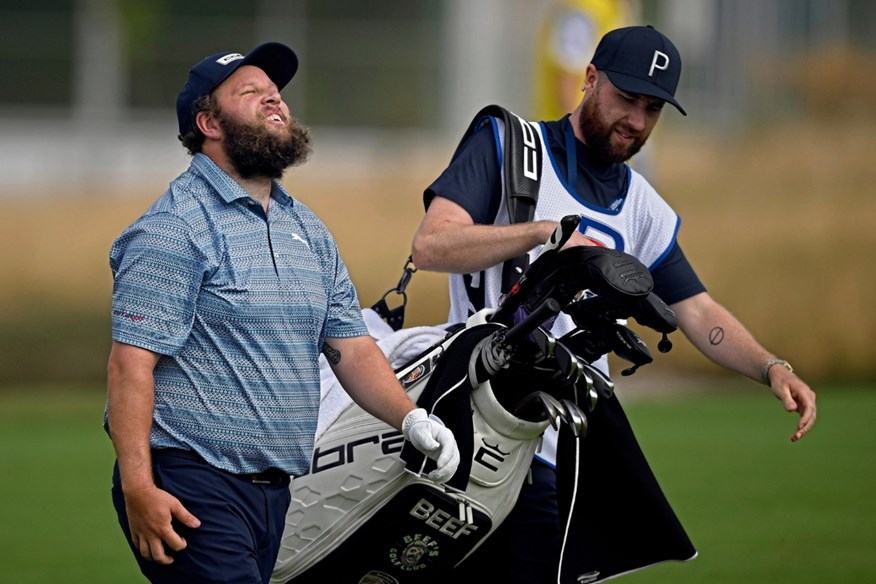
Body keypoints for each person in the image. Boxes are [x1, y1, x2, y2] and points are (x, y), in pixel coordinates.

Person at [411, 25, 817, 583]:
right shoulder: (508, 144)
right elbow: (432, 246)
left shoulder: (644, 210)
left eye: (653, 109)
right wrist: (546, 234)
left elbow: (696, 309)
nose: (637, 120)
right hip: (466, 439)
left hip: (559, 460)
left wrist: (772, 367)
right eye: (626, 98)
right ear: (590, 79)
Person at [105, 42, 460, 584]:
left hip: (275, 496)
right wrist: (138, 487)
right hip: (190, 483)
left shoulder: (308, 230)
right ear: (209, 123)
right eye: (251, 93)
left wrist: (410, 418)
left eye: (275, 93)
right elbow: (131, 366)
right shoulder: (173, 228)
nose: (274, 100)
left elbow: (351, 347)